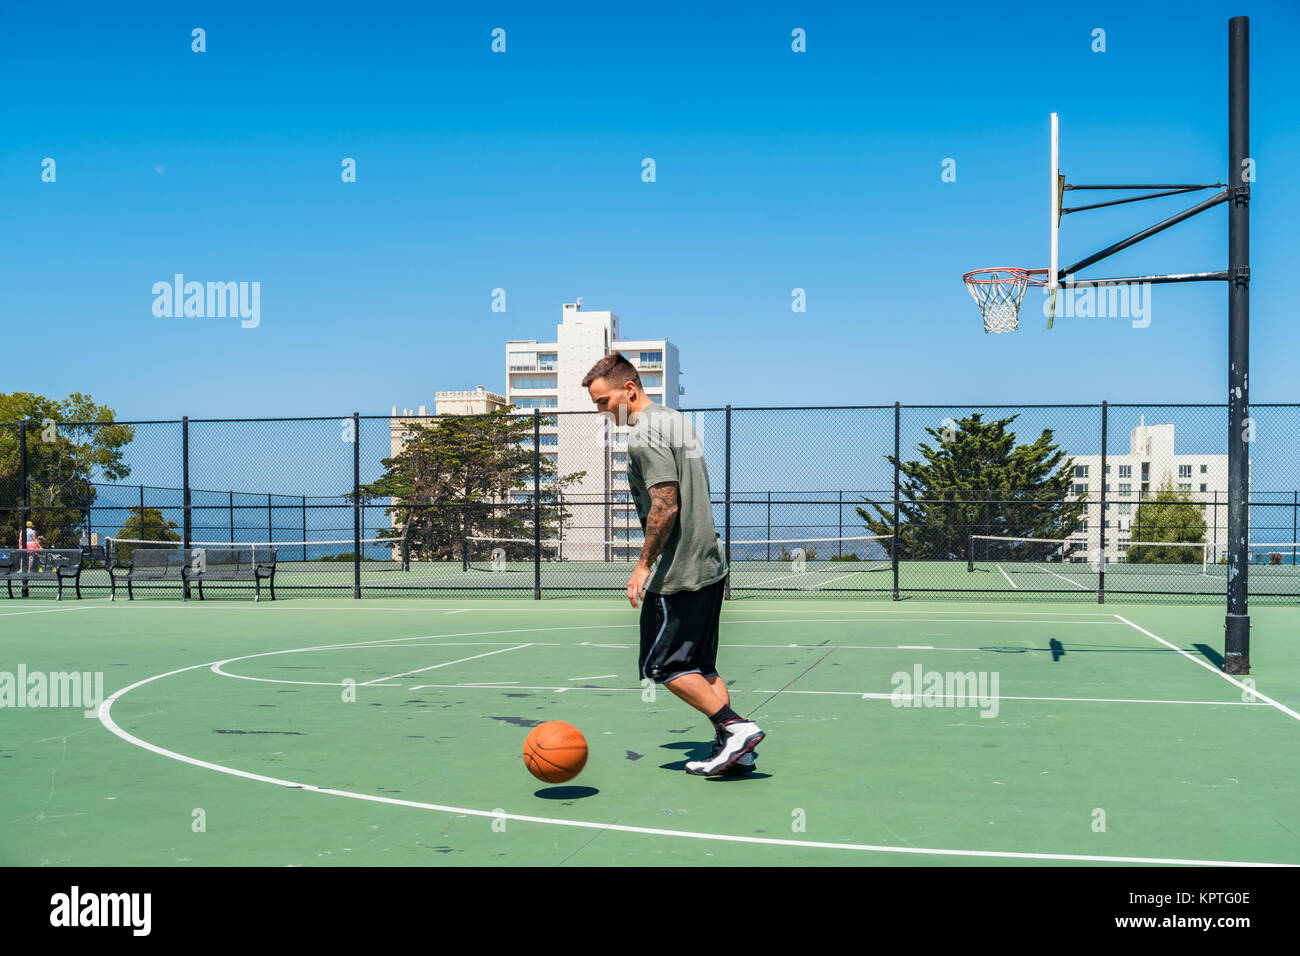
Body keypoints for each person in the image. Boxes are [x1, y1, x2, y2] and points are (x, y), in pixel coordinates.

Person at [583, 352, 765, 776]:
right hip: (710, 562)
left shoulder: (644, 434)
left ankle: (733, 728)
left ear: (629, 390)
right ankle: (737, 747)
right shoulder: (676, 420)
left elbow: (665, 505)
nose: (601, 411)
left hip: (679, 569)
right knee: (702, 666)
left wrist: (643, 565)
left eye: (604, 401)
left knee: (661, 665)